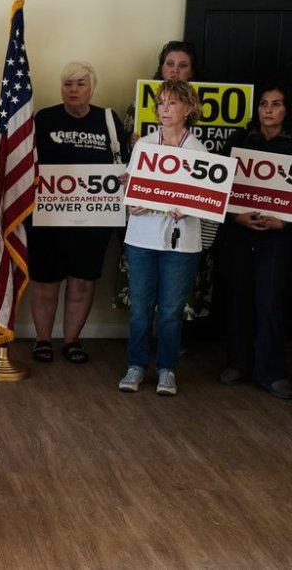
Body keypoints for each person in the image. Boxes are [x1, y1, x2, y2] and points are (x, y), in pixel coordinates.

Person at [28, 62, 129, 364]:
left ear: (92, 87)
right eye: (68, 84)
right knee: (46, 281)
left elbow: (124, 163)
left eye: (80, 83)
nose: (74, 90)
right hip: (49, 217)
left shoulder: (109, 120)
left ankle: (72, 341)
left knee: (82, 281)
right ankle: (42, 339)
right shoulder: (44, 119)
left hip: (93, 218)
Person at [118, 80, 206, 396]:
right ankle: (136, 365)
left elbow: (205, 198)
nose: (164, 110)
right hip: (142, 238)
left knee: (170, 309)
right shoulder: (144, 145)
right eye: (161, 103)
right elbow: (130, 190)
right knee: (141, 307)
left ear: (188, 109)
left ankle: (167, 369)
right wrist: (132, 196)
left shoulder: (198, 151)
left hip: (182, 243)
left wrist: (189, 206)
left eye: (172, 103)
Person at [217, 82, 292, 399]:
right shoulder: (239, 140)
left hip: (277, 238)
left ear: (286, 110)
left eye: (276, 104)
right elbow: (216, 184)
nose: (269, 110)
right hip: (238, 234)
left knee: (269, 302)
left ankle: (270, 372)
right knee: (237, 299)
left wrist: (285, 222)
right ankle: (237, 364)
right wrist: (236, 217)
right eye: (263, 104)